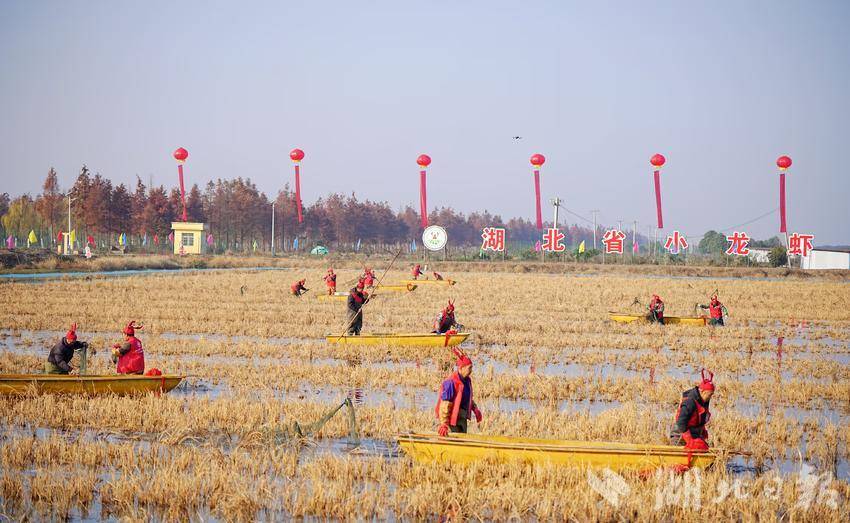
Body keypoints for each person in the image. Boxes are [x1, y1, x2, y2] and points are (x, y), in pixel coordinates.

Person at [436, 348, 482, 436]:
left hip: (462, 418)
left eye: (471, 368)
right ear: (461, 368)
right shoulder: (451, 382)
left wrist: (475, 408)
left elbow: (466, 398)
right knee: (453, 441)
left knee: (463, 440)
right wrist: (444, 424)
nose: (471, 371)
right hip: (452, 419)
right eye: (469, 368)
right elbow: (445, 405)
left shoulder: (467, 381)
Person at [670, 369, 715, 450]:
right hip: (680, 435)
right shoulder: (690, 402)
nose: (710, 397)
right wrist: (689, 440)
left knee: (704, 448)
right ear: (702, 392)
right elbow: (681, 423)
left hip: (694, 433)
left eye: (711, 395)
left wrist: (702, 431)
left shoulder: (704, 401)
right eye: (709, 395)